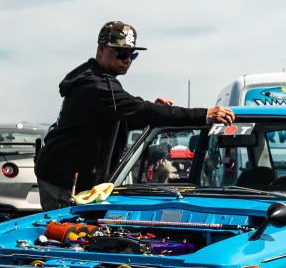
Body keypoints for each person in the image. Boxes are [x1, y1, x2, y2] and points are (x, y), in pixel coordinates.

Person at [34, 20, 235, 210]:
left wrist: (146, 112)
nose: (127, 60)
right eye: (121, 53)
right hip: (63, 184)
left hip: (61, 176)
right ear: (101, 49)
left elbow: (117, 116)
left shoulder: (92, 78)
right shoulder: (97, 85)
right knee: (67, 239)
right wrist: (204, 115)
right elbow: (140, 110)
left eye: (132, 55)